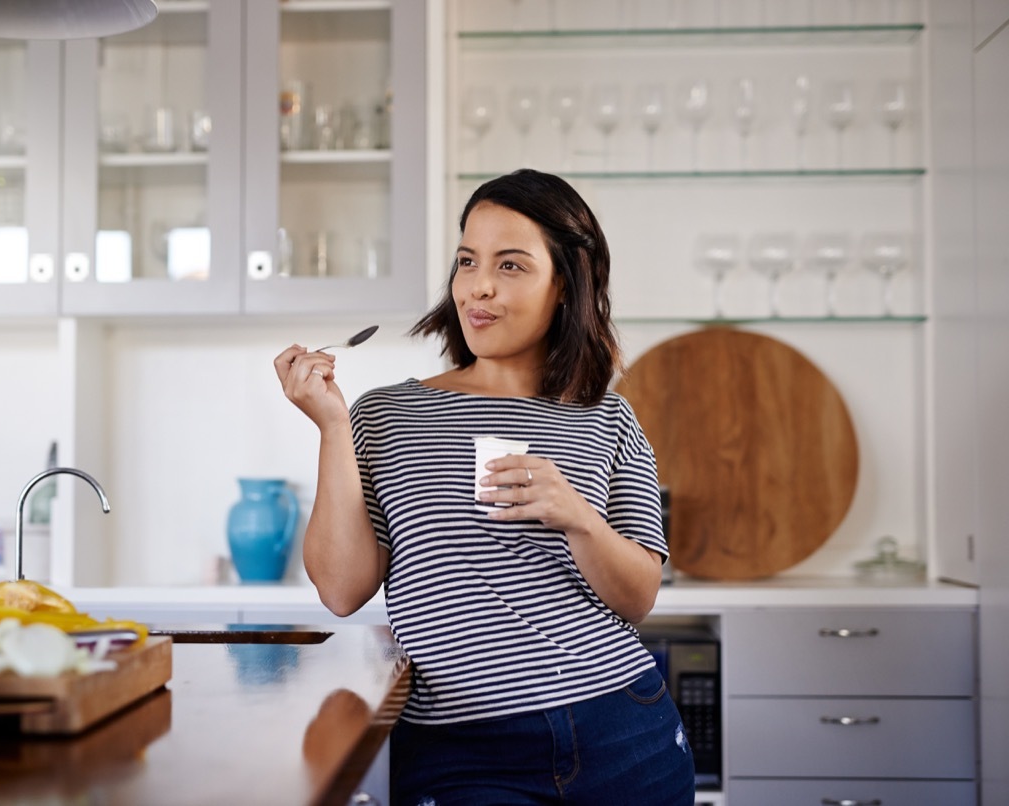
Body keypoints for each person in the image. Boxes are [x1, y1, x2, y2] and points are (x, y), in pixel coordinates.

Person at [274, 169, 695, 804]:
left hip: (623, 732)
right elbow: (341, 589)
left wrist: (577, 517)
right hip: (462, 749)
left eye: (512, 265)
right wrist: (333, 426)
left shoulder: (606, 417)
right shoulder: (386, 416)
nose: (481, 286)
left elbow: (638, 599)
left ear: (565, 286)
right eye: (467, 260)